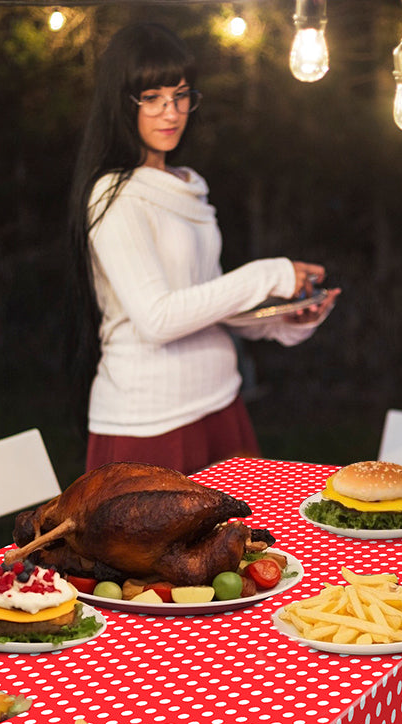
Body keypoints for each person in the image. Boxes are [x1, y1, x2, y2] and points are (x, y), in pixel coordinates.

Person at [67, 22, 339, 475]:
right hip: (151, 423)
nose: (171, 113)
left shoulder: (189, 185)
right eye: (152, 98)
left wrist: (282, 322)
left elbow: (206, 302)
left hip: (219, 402)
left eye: (180, 95)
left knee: (246, 548)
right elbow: (157, 319)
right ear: (121, 101)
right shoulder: (113, 195)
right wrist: (266, 276)